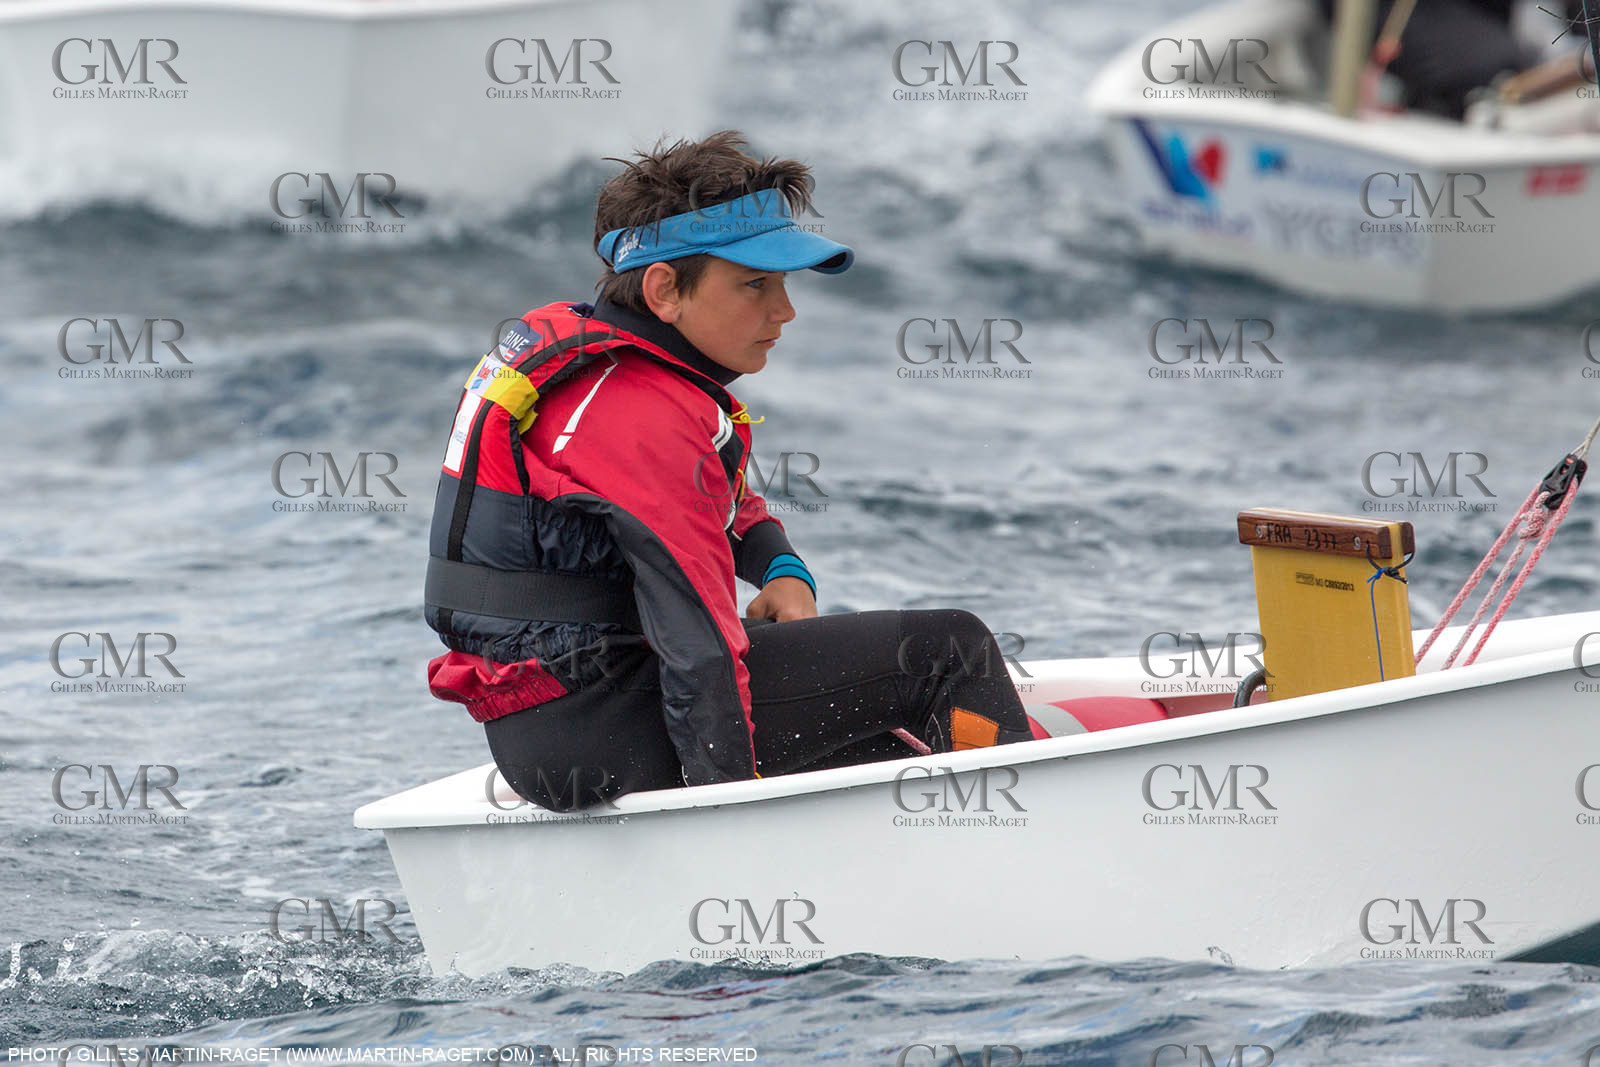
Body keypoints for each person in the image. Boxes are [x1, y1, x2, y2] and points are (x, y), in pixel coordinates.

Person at [424, 130, 1034, 811]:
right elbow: (701, 648)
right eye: (754, 285)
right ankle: (1017, 843)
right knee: (952, 650)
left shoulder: (606, 366)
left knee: (884, 749)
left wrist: (780, 569)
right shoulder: (641, 416)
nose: (785, 310)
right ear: (664, 289)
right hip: (606, 725)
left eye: (783, 283)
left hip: (558, 721)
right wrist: (730, 814)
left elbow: (717, 502)